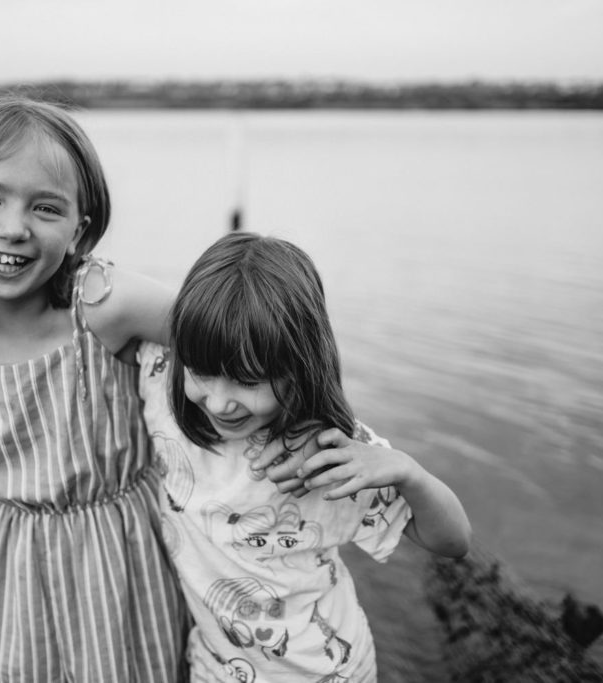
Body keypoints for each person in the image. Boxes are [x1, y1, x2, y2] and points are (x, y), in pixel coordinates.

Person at [0, 95, 190, 682]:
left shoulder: (104, 305)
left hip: (120, 564)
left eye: (46, 208)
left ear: (79, 231)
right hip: (7, 571)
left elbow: (241, 335)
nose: (13, 228)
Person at [137, 232, 472, 682]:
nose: (218, 403)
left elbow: (453, 542)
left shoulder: (331, 456)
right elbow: (97, 295)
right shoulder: (162, 381)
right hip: (215, 668)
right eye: (203, 373)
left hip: (325, 673)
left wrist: (410, 475)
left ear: (299, 367)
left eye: (247, 381)